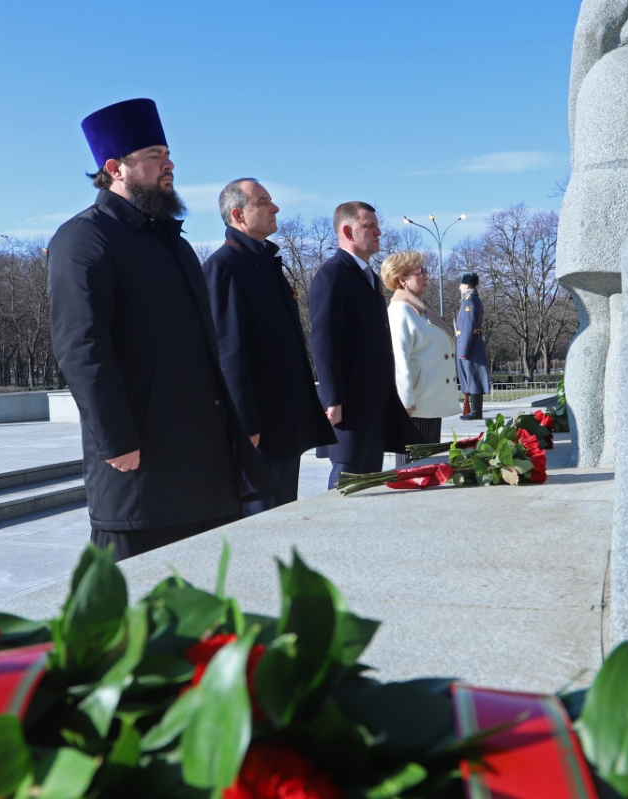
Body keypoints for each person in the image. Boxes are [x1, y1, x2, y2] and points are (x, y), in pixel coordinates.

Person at [47, 98, 274, 560]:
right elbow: (81, 345)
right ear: (116, 167)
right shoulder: (83, 239)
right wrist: (117, 438)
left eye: (167, 154)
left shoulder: (171, 240)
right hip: (140, 467)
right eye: (154, 156)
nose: (169, 164)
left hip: (203, 461)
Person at [202, 179, 336, 515]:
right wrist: (247, 427)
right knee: (259, 525)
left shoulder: (266, 262)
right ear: (238, 214)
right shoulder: (224, 268)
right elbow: (228, 353)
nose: (275, 208)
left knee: (282, 518)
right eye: (263, 202)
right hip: (259, 430)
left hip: (284, 424)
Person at [309, 201, 420, 488]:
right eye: (369, 226)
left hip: (373, 402)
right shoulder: (332, 275)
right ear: (347, 230)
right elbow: (324, 340)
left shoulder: (367, 276)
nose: (378, 232)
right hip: (349, 405)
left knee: (369, 481)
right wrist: (333, 400)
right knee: (348, 479)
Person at [381, 252, 458, 466]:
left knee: (427, 466)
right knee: (412, 469)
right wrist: (406, 402)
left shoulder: (418, 307)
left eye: (426, 271)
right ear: (402, 279)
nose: (426, 276)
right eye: (420, 272)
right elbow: (399, 358)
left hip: (429, 401)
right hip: (415, 407)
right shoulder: (400, 311)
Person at [456, 272, 492, 420]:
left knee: (474, 377)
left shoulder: (469, 302)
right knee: (472, 377)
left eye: (461, 284)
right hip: (472, 343)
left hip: (470, 345)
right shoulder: (471, 300)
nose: (459, 287)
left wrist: (463, 349)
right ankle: (475, 410)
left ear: (467, 285)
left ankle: (476, 411)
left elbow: (467, 327)